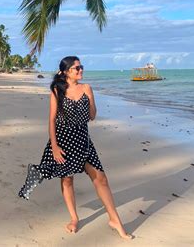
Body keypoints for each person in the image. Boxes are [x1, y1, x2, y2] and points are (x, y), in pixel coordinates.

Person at [18, 56, 133, 240]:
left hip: (83, 140)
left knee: (101, 178)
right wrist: (54, 146)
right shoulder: (57, 91)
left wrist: (91, 98)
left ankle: (115, 220)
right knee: (67, 180)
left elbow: (92, 116)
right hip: (63, 141)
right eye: (76, 68)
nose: (80, 71)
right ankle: (74, 217)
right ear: (65, 72)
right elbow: (52, 119)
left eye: (81, 67)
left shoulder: (86, 88)